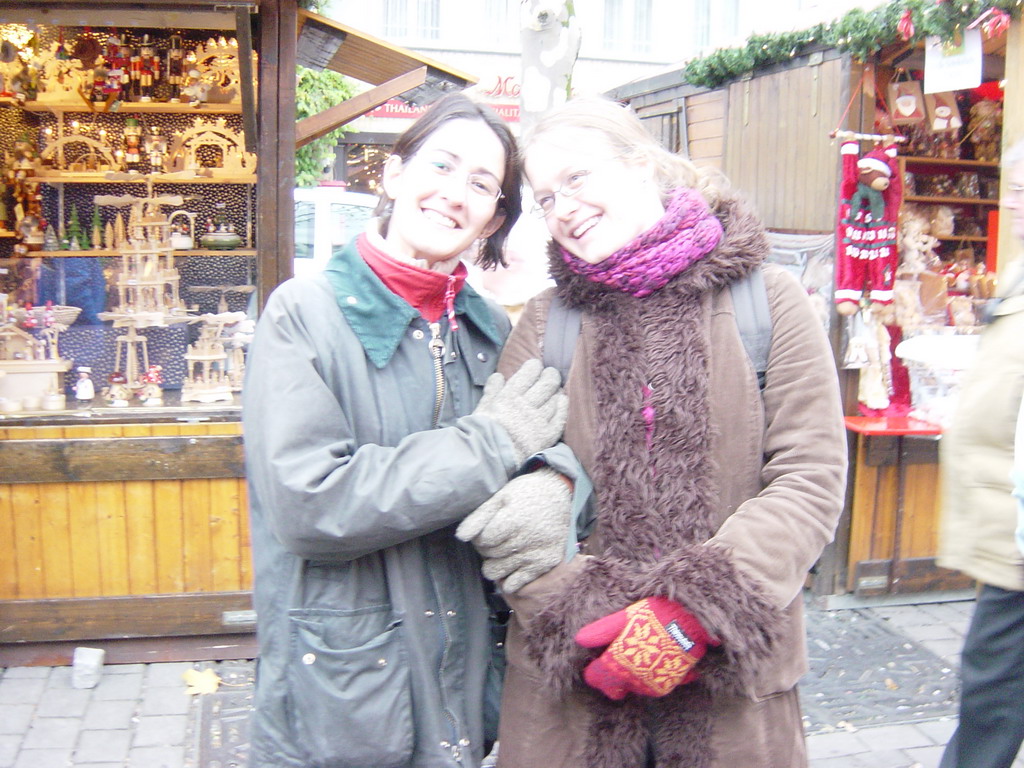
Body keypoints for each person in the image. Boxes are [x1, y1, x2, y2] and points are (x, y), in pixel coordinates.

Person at [456, 96, 847, 768]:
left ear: (641, 164)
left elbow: (810, 477)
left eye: (577, 179)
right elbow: (500, 488)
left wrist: (691, 615)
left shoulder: (767, 301)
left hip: (730, 695)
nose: (563, 209)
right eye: (545, 198)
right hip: (574, 696)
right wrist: (580, 615)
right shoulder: (546, 323)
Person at [242, 92, 569, 768]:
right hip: (349, 689)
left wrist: (553, 487)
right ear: (392, 175)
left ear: (494, 219)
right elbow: (311, 505)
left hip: (466, 669)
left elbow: (531, 462)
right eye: (441, 166)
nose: (456, 193)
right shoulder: (303, 315)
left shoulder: (488, 331)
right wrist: (493, 445)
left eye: (482, 185)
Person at [937, 138, 1024, 768]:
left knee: (991, 703)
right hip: (1008, 537)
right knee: (990, 698)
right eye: (1014, 188)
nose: (1016, 204)